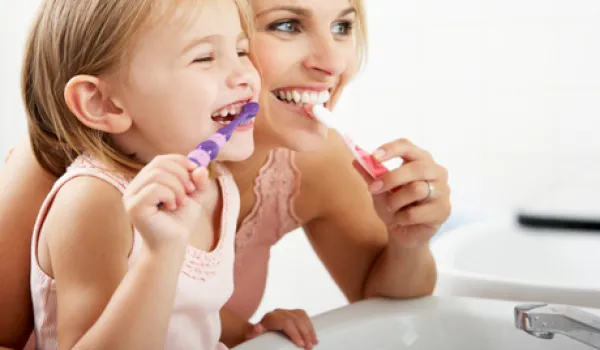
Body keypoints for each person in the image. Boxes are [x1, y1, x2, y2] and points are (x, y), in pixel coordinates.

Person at [0, 0, 452, 349]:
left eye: (343, 26)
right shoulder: (88, 192)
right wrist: (159, 257)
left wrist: (409, 239)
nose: (332, 64)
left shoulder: (218, 183)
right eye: (285, 25)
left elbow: (190, 306)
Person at [10, 0, 261, 348]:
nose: (245, 75)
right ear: (104, 103)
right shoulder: (95, 200)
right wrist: (161, 255)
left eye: (241, 50)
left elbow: (184, 310)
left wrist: (251, 331)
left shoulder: (217, 183)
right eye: (204, 58)